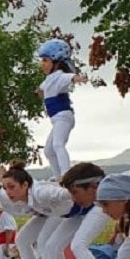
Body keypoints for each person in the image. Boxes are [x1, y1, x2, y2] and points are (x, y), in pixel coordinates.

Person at [35, 39, 86, 179]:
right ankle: (58, 176)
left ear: (56, 62)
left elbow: (71, 78)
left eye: (45, 60)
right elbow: (42, 89)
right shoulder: (49, 79)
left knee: (58, 144)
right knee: (48, 151)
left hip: (63, 117)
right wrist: (39, 92)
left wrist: (78, 78)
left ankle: (65, 175)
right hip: (56, 119)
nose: (42, 64)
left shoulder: (60, 77)